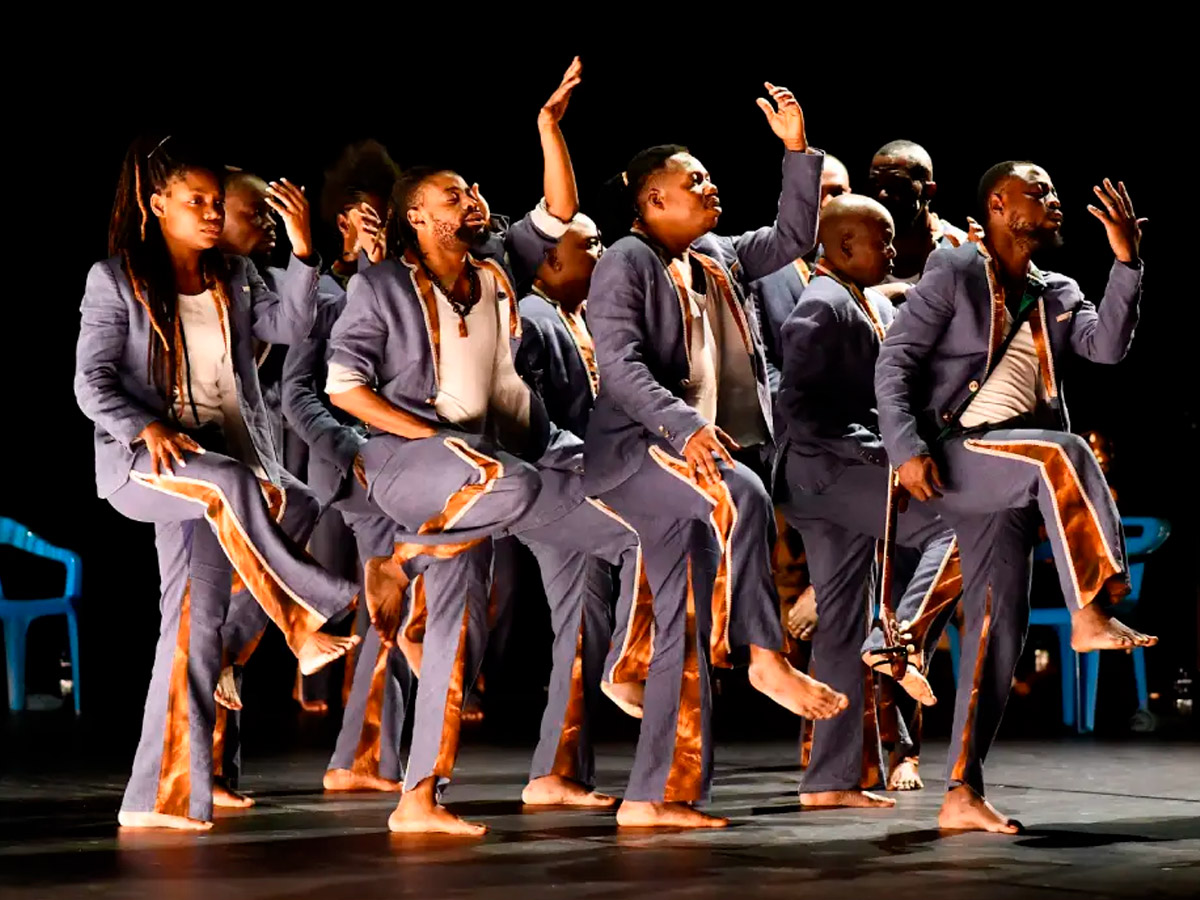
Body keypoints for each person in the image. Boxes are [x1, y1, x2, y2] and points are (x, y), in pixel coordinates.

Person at [326, 58, 649, 836]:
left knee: (647, 516)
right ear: (418, 219)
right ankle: (404, 552)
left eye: (472, 191)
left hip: (512, 473)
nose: (472, 201)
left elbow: (561, 209)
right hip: (423, 468)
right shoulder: (383, 289)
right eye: (454, 196)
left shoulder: (499, 260)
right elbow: (343, 387)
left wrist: (549, 127)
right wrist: (430, 439)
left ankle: (419, 797)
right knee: (497, 496)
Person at [74, 135, 359, 831]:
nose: (209, 213)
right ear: (157, 203)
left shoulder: (234, 276)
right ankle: (306, 609)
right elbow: (91, 380)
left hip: (223, 465)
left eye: (214, 203)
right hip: (150, 465)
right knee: (233, 482)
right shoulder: (116, 280)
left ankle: (159, 796)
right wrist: (144, 427)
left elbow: (294, 325)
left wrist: (301, 247)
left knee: (196, 623)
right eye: (195, 202)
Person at [585, 82, 849, 830]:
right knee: (745, 495)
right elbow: (620, 364)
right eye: (692, 182)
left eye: (709, 177)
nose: (710, 187)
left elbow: (796, 238)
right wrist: (682, 426)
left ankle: (655, 798)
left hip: (693, 468)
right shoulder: (625, 264)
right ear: (650, 202)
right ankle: (765, 653)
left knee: (688, 630)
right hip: (638, 455)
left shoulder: (719, 255)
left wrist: (797, 151)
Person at [875, 161, 1156, 832]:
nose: (1054, 199)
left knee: (1001, 633)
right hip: (961, 453)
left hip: (1019, 469)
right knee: (1069, 450)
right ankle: (1091, 609)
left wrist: (1127, 264)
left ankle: (962, 792)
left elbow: (1108, 348)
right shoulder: (955, 271)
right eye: (1040, 190)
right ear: (999, 204)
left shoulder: (1058, 289)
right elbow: (897, 361)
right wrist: (905, 449)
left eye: (1055, 190)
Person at [778, 195, 962, 808]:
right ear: (843, 247)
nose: (890, 250)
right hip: (828, 478)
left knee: (838, 626)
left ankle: (828, 782)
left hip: (834, 478)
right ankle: (900, 636)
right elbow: (799, 410)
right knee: (954, 523)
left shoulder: (865, 298)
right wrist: (877, 455)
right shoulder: (819, 307)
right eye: (880, 241)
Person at [866, 140, 969, 296]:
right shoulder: (852, 248)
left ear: (929, 190)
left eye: (897, 184)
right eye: (875, 184)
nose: (882, 194)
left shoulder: (960, 250)